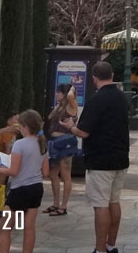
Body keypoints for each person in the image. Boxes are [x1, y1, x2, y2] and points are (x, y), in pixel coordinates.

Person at [61, 60, 129, 253]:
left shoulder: (96, 99)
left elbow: (84, 132)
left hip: (100, 160)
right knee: (114, 201)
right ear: (113, 76)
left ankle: (99, 249)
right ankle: (111, 245)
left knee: (100, 205)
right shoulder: (122, 98)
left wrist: (71, 127)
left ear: (94, 78)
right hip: (120, 157)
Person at [0, 109, 48, 253]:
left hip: (20, 189)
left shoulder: (20, 144)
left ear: (25, 126)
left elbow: (13, 171)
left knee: (5, 228)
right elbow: (45, 172)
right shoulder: (42, 144)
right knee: (29, 228)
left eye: (20, 125)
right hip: (36, 188)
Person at [45, 84, 79, 217]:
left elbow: (71, 97)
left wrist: (71, 89)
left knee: (65, 174)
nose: (57, 94)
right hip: (55, 143)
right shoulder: (59, 107)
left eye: (59, 92)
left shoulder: (71, 106)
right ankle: (55, 203)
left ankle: (64, 206)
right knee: (53, 173)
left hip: (65, 144)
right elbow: (49, 118)